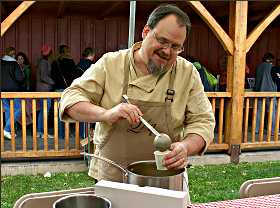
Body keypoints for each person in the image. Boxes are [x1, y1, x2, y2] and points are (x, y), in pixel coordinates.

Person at [59, 4, 215, 194]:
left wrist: (185, 146)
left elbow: (203, 122)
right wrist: (107, 114)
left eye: (175, 47)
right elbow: (70, 99)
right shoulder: (111, 63)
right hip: (114, 177)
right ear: (146, 31)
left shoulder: (187, 72)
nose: (167, 51)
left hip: (168, 180)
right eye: (162, 41)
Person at [51, 44, 76, 138]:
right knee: (67, 112)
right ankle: (66, 133)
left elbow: (52, 76)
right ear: (67, 51)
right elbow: (74, 76)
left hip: (57, 89)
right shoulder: (70, 62)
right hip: (67, 89)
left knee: (58, 113)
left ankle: (60, 134)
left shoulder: (55, 62)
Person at [1, 46, 25, 140]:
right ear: (13, 54)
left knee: (7, 110)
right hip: (13, 90)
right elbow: (20, 78)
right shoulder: (14, 64)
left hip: (2, 90)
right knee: (18, 109)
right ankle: (7, 129)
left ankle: (9, 132)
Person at [254, 52, 279, 135]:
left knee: (259, 111)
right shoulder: (272, 67)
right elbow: (277, 79)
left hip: (259, 92)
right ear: (270, 59)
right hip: (270, 92)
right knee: (272, 112)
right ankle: (272, 131)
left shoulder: (258, 67)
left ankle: (256, 129)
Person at [74, 47, 96, 139]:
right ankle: (86, 135)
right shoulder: (93, 65)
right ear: (91, 55)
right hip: (89, 91)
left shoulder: (78, 64)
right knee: (88, 114)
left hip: (78, 91)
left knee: (80, 113)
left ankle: (80, 133)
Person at [36, 44, 55, 138]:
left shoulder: (41, 61)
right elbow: (44, 77)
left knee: (42, 111)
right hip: (44, 90)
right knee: (45, 111)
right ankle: (43, 132)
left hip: (41, 90)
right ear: (49, 53)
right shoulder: (44, 62)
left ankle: (40, 132)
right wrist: (53, 82)